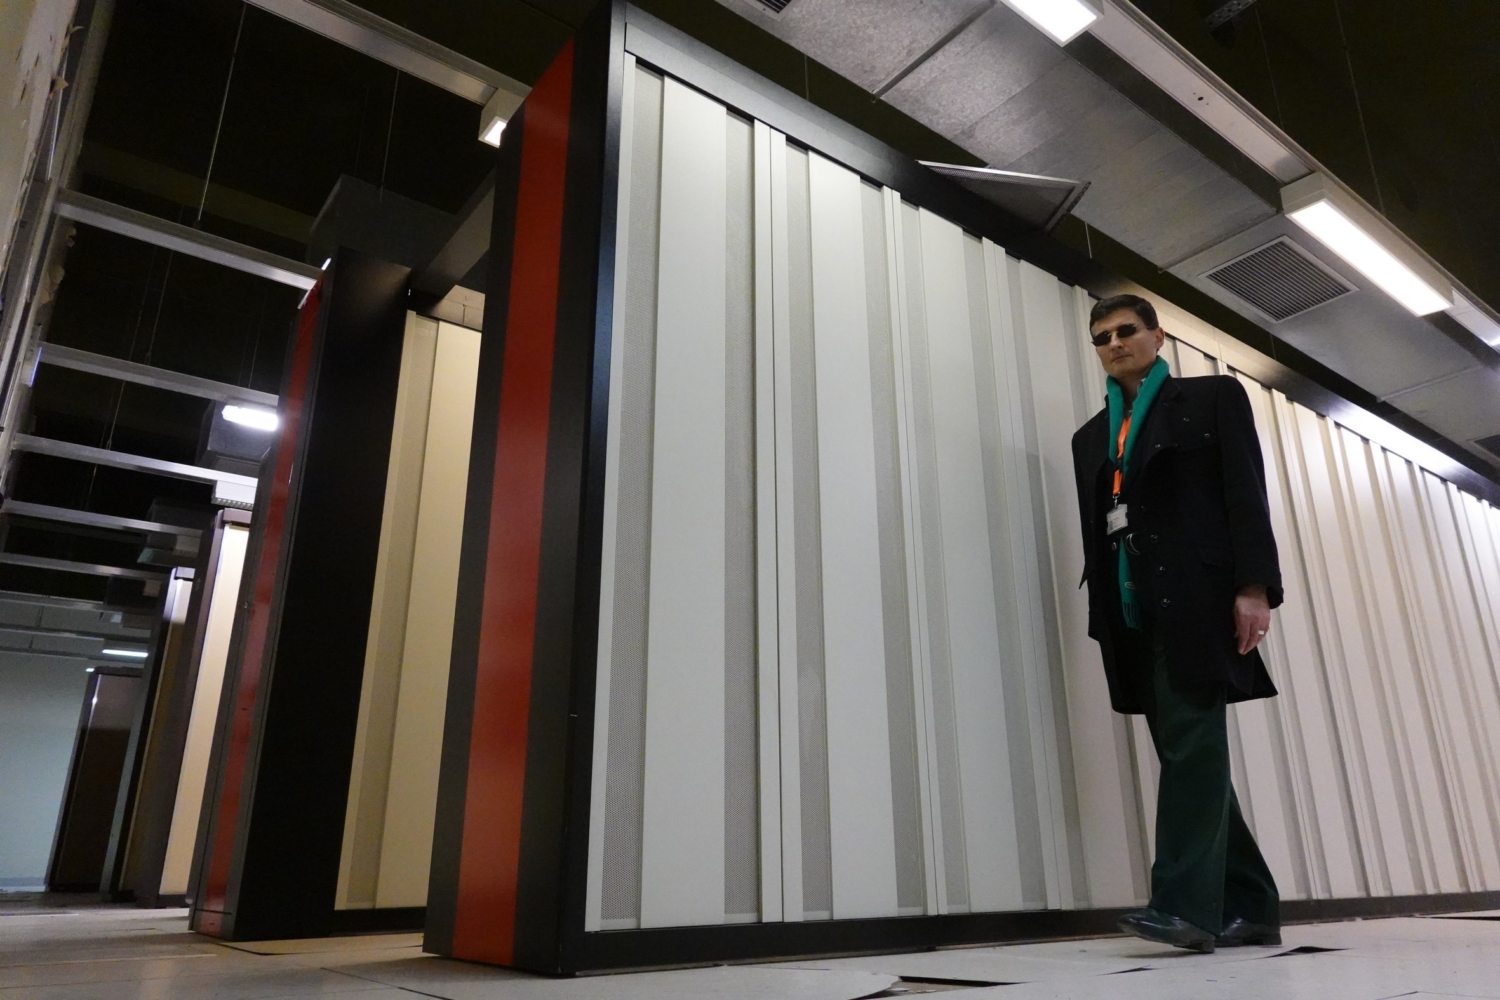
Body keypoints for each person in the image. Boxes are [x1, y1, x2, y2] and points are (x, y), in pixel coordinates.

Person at [1070, 293, 1283, 953]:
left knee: (1192, 746)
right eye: (1101, 336)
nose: (1113, 343)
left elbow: (1245, 491)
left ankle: (1184, 908)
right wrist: (1103, 616)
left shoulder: (1212, 399)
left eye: (1126, 330)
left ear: (1157, 336)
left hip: (1197, 601)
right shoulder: (1090, 438)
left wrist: (1254, 586)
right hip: (1131, 612)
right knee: (1188, 754)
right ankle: (1252, 905)